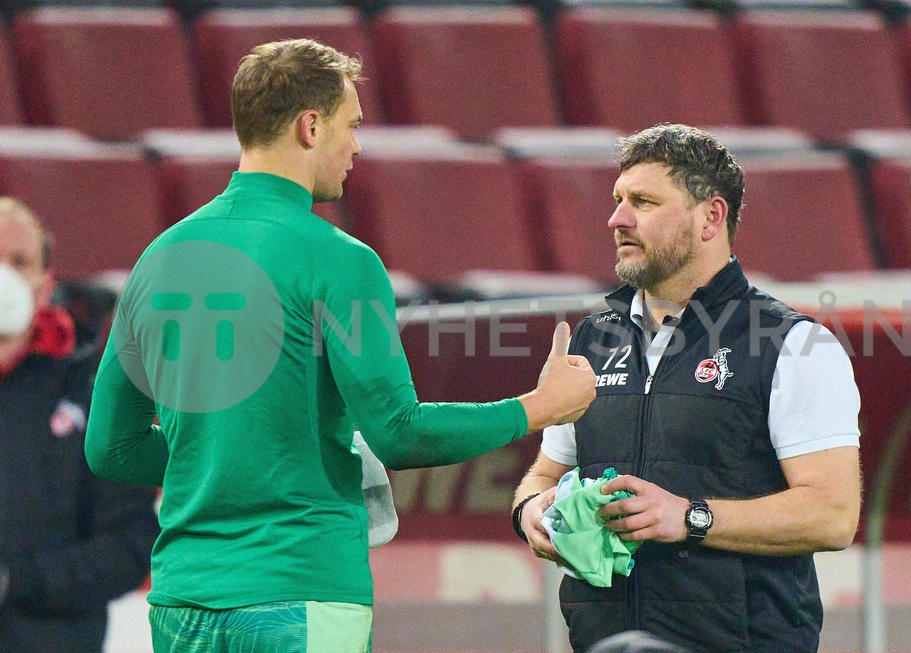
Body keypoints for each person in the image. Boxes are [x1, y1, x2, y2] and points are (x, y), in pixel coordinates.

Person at [84, 39, 596, 653]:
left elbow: (110, 447)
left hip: (179, 600)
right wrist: (541, 406)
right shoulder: (339, 261)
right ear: (310, 126)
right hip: (301, 588)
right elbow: (400, 433)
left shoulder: (158, 259)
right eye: (350, 125)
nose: (356, 146)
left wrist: (228, 461)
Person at [512, 124, 862, 653]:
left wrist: (690, 517)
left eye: (644, 202)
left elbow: (833, 515)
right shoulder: (592, 339)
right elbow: (544, 473)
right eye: (618, 200)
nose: (617, 218)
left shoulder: (791, 344)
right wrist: (532, 512)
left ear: (711, 218)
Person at [0, 198, 160, 653]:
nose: (4, 276)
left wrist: (18, 582)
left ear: (45, 285)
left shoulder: (92, 399)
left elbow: (131, 545)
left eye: (19, 262)